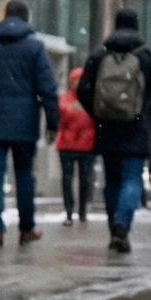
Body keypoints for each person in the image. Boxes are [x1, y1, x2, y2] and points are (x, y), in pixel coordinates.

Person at [0, 0, 60, 248]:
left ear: (4, 16)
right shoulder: (35, 47)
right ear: (26, 18)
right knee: (24, 174)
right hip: (24, 123)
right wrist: (52, 122)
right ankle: (26, 227)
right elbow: (48, 88)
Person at [76, 8, 151, 255]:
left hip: (107, 129)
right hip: (138, 129)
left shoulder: (99, 55)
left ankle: (114, 230)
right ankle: (122, 225)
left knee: (112, 181)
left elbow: (83, 90)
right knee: (131, 178)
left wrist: (99, 112)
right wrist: (150, 119)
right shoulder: (149, 57)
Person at [56, 66, 97, 222]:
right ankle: (69, 210)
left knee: (85, 179)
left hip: (87, 144)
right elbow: (60, 117)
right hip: (67, 144)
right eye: (75, 80)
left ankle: (82, 211)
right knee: (67, 178)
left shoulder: (91, 98)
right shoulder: (64, 98)